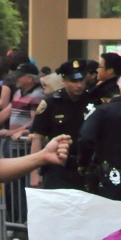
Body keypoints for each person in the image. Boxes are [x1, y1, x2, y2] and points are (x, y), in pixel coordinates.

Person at [29, 59, 89, 190]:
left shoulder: (92, 101)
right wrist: (34, 173)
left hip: (86, 168)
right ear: (64, 81)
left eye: (81, 80)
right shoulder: (51, 103)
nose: (79, 85)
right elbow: (37, 138)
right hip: (58, 167)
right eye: (74, 81)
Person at [0, 64, 45, 139]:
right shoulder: (18, 92)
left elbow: (34, 122)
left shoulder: (38, 95)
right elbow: (6, 112)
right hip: (16, 142)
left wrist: (12, 132)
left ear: (29, 78)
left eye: (18, 76)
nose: (15, 79)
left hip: (26, 144)